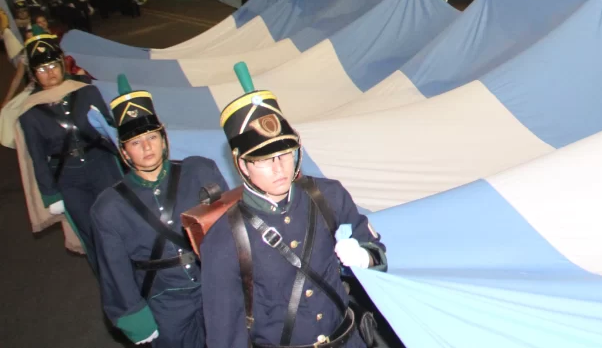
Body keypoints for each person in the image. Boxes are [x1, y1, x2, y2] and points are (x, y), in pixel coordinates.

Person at [194, 64, 387, 348]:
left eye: (285, 153)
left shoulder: (328, 196)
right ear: (241, 165)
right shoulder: (225, 240)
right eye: (264, 159)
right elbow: (225, 334)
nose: (279, 167)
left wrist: (363, 257)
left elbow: (378, 255)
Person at [90, 75, 229, 347]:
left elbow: (229, 229)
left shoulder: (199, 171)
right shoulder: (109, 207)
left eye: (152, 136)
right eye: (135, 142)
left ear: (164, 138)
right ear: (124, 152)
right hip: (164, 299)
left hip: (214, 285)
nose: (147, 147)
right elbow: (114, 271)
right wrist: (133, 316)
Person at [17, 30, 122, 267]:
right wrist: (51, 193)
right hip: (69, 180)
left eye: (53, 65)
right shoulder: (30, 112)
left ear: (62, 64)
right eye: (42, 69)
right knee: (92, 236)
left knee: (120, 226)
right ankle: (115, 293)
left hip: (102, 167)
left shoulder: (86, 91)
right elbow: (37, 156)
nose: (50, 72)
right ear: (34, 75)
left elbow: (110, 130)